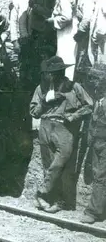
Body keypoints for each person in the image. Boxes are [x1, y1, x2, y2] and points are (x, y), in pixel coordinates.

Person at [30, 55, 93, 213]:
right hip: (45, 127)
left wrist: (73, 116)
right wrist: (45, 101)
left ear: (62, 72)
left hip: (64, 127)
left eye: (58, 72)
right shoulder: (41, 89)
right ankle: (54, 201)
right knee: (49, 165)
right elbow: (33, 112)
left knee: (60, 162)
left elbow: (89, 105)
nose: (53, 76)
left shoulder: (73, 87)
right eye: (51, 73)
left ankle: (41, 193)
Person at [9, 0, 44, 90]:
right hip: (32, 35)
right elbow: (17, 21)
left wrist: (15, 40)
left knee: (28, 62)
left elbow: (14, 22)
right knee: (30, 62)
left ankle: (28, 86)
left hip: (29, 36)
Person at [82, 63, 106, 224]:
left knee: (100, 177)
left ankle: (94, 212)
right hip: (98, 143)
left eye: (97, 79)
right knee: (99, 175)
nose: (93, 82)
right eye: (92, 78)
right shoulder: (98, 98)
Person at [49, 0, 79, 80]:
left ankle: (66, 83)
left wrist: (52, 20)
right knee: (71, 56)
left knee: (65, 57)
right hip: (73, 29)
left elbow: (66, 17)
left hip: (66, 32)